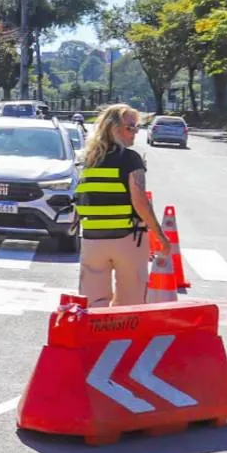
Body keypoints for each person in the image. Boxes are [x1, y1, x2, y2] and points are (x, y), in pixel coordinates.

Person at [73, 104, 169, 308]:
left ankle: (95, 339)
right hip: (127, 239)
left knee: (93, 302)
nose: (135, 132)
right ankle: (121, 339)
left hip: (92, 240)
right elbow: (140, 201)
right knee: (130, 301)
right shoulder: (130, 158)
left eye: (137, 128)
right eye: (130, 127)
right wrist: (160, 235)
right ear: (113, 128)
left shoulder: (88, 159)